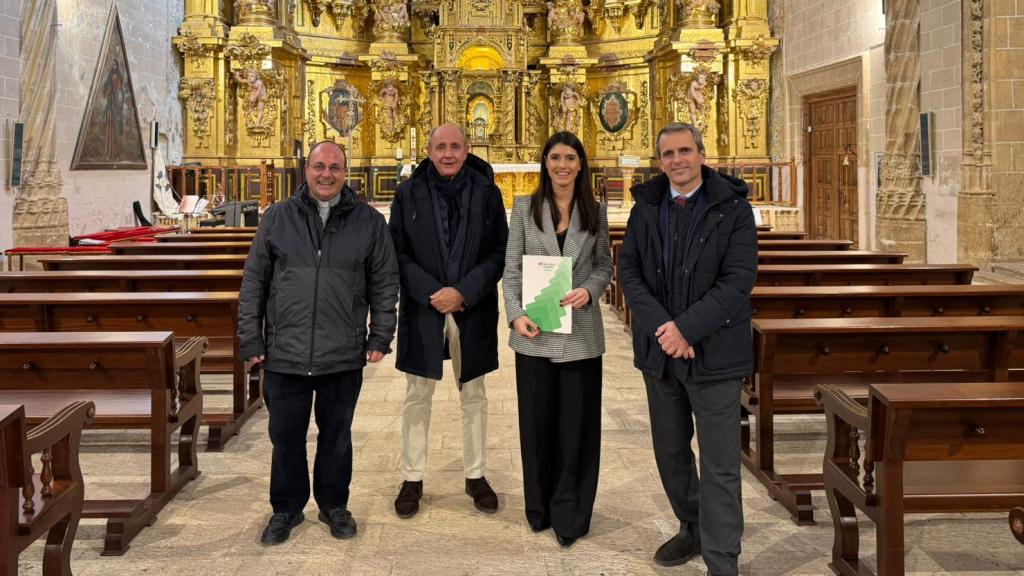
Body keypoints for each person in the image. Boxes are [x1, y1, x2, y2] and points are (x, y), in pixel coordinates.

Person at [238, 141, 399, 545]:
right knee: (286, 438)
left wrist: (381, 334)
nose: (326, 174)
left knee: (337, 435)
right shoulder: (277, 218)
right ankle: (286, 510)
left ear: (346, 172)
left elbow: (384, 282)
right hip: (284, 351)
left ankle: (333, 505)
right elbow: (254, 282)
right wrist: (250, 338)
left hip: (341, 351)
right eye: (318, 166)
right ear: (305, 169)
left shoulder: (368, 222)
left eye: (334, 167)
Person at [618, 122, 757, 575]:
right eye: (668, 154)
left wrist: (687, 330)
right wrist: (664, 329)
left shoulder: (733, 208)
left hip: (714, 353)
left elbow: (737, 281)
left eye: (684, 151)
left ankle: (722, 558)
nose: (676, 160)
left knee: (719, 463)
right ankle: (692, 527)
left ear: (701, 153)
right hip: (661, 352)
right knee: (671, 451)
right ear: (660, 161)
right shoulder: (647, 207)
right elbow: (631, 272)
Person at [388, 123, 509, 519]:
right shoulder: (407, 194)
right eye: (440, 146)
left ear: (467, 147)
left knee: (473, 394)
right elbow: (397, 252)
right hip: (424, 308)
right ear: (428, 149)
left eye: (456, 146)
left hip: (471, 308)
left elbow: (498, 251)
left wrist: (464, 291)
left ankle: (475, 475)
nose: (448, 154)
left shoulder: (488, 193)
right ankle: (413, 476)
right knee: (417, 394)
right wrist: (432, 293)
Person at [502, 131, 612, 547]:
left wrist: (591, 289)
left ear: (581, 164)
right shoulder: (524, 208)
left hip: (581, 332)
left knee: (577, 427)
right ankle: (540, 507)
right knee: (537, 424)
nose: (561, 165)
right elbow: (511, 269)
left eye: (569, 158)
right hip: (535, 331)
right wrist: (515, 316)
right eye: (554, 158)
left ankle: (572, 510)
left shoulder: (595, 212)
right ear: (544, 163)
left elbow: (604, 263)